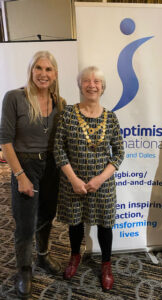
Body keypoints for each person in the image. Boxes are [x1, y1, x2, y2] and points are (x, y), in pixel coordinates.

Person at [0, 51, 66, 299]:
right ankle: (24, 269)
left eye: (48, 69)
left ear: (55, 74)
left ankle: (43, 255)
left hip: (51, 167)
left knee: (48, 215)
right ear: (31, 70)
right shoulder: (14, 98)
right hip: (25, 165)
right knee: (26, 222)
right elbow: (5, 140)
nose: (43, 73)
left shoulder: (61, 102)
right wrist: (20, 175)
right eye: (38, 68)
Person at [54, 66, 124, 291]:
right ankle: (74, 256)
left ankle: (106, 264)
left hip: (102, 186)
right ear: (80, 85)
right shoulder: (67, 113)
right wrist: (74, 180)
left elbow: (119, 153)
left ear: (103, 87)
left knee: (105, 225)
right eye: (86, 81)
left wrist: (100, 179)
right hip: (72, 183)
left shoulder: (111, 118)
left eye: (96, 81)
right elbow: (58, 149)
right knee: (75, 223)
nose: (92, 85)